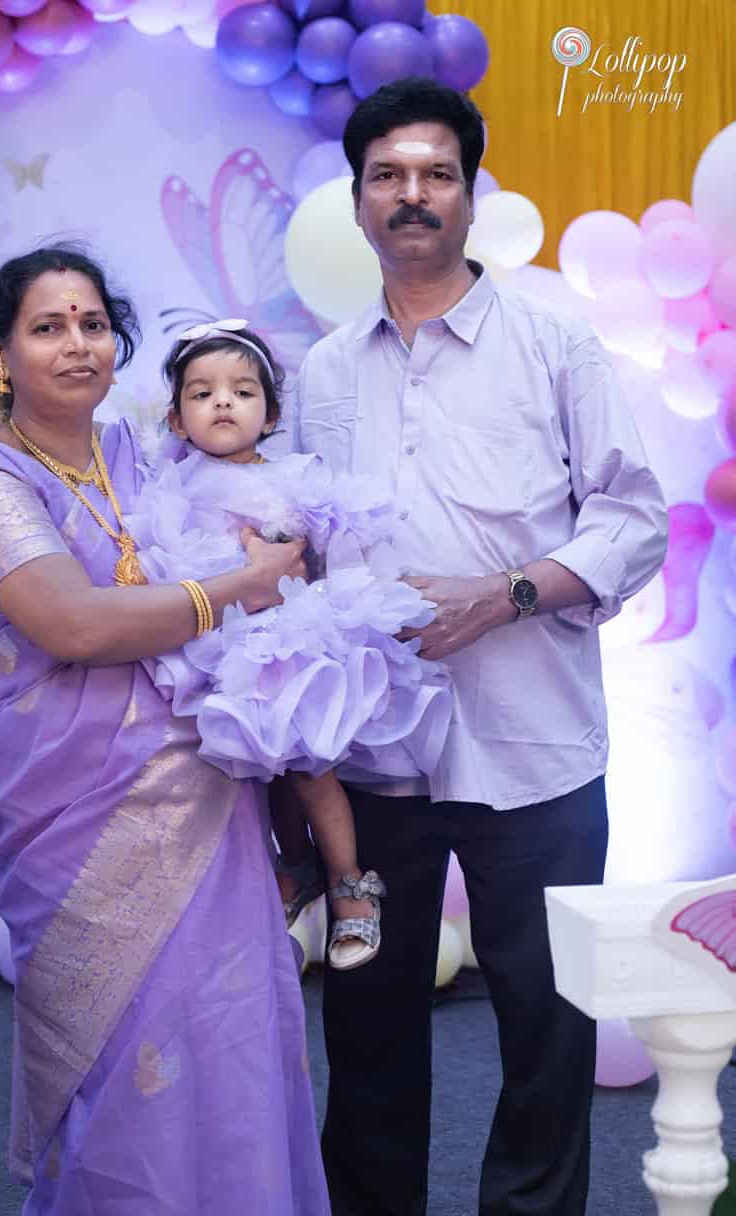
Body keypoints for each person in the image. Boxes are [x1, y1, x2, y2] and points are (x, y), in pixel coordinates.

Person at [295, 78, 668, 1216]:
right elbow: (306, 555)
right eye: (389, 176)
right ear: (359, 201)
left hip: (536, 754)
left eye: (437, 174)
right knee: (363, 1035)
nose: (413, 196)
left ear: (470, 194)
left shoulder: (554, 344)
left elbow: (634, 519)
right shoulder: (318, 374)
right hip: (372, 772)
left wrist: (501, 594)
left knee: (545, 1040)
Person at [0, 244, 330, 1216]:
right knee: (116, 1061)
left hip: (210, 798)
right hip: (75, 823)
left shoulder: (149, 455)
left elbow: (273, 553)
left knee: (229, 1037)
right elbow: (73, 624)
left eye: (94, 324)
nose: (77, 344)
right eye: (48, 326)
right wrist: (241, 583)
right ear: (1, 350)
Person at [123, 319, 452, 970]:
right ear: (177, 417)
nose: (223, 402)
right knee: (261, 767)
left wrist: (304, 542)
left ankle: (349, 884)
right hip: (218, 639)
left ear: (271, 414)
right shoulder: (172, 483)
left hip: (285, 638)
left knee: (307, 764)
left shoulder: (293, 475)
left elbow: (322, 538)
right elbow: (163, 557)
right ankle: (293, 864)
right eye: (203, 392)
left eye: (242, 392)